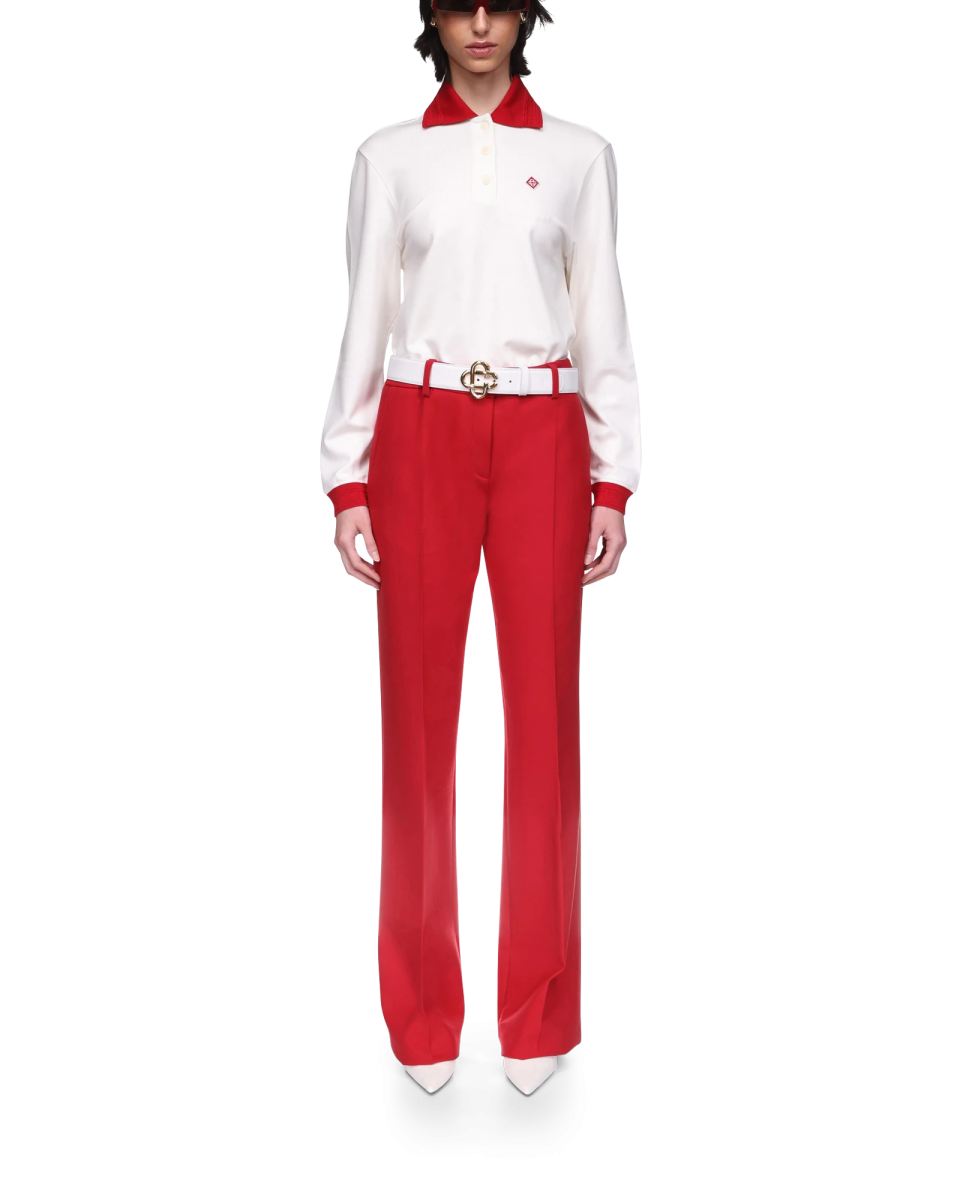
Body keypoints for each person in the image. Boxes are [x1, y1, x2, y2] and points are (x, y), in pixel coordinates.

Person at [320, 0, 641, 1095]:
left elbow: (602, 313)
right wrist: (347, 473)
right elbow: (366, 311)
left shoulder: (582, 154)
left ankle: (538, 1004)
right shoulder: (389, 155)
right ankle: (421, 1007)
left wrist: (614, 475)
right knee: (416, 718)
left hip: (547, 428)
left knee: (545, 718)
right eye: (458, 3)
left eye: (501, 2)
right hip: (419, 428)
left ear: (529, 14)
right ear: (429, 16)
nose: (481, 24)